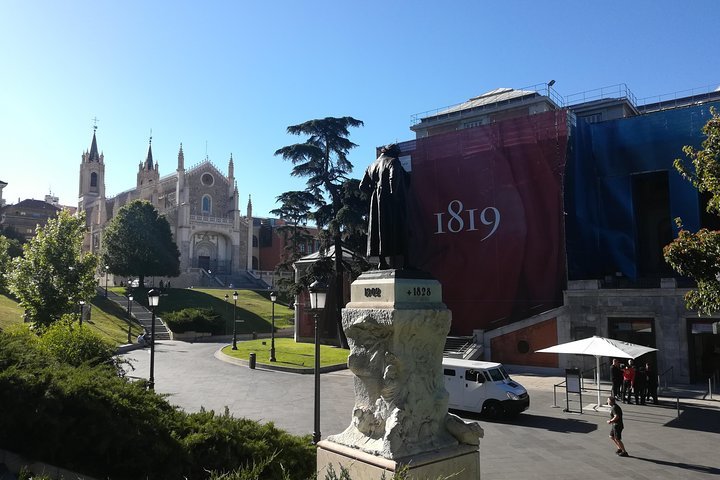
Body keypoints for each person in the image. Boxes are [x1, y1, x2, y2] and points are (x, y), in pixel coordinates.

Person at [360, 144, 411, 270]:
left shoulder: (371, 165)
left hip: (376, 201)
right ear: (394, 152)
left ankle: (381, 261)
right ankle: (406, 263)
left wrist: (375, 192)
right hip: (391, 200)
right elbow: (394, 179)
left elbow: (362, 186)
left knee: (379, 229)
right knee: (400, 228)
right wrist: (395, 196)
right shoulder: (393, 162)